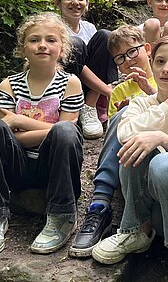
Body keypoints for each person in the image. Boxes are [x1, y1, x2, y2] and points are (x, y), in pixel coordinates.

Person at [92, 36, 168, 275]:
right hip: (152, 210)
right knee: (135, 142)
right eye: (160, 61)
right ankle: (136, 230)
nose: (166, 69)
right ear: (152, 62)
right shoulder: (140, 104)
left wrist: (163, 140)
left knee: (163, 160)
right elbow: (124, 134)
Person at [0, 12, 83, 255]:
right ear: (23, 48)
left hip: (53, 168)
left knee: (65, 132)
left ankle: (62, 216)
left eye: (51, 40)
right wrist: (42, 131)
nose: (43, 45)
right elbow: (2, 136)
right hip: (16, 168)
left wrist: (21, 121)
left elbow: (66, 132)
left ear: (62, 48)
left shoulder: (70, 84)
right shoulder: (9, 85)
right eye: (34, 40)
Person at [69, 25, 157, 258]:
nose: (127, 61)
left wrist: (148, 96)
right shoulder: (118, 92)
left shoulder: (166, 76)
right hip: (128, 160)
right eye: (120, 58)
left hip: (159, 154)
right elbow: (113, 137)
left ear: (147, 49)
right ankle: (100, 204)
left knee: (128, 114)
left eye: (132, 52)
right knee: (121, 116)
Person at [55, 0, 115, 139]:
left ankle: (89, 107)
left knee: (106, 36)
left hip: (90, 87)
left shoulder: (89, 28)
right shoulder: (54, 28)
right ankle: (78, 106)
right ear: (57, 3)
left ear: (87, 4)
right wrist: (110, 92)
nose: (75, 2)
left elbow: (99, 63)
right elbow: (77, 66)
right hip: (64, 84)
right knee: (75, 44)